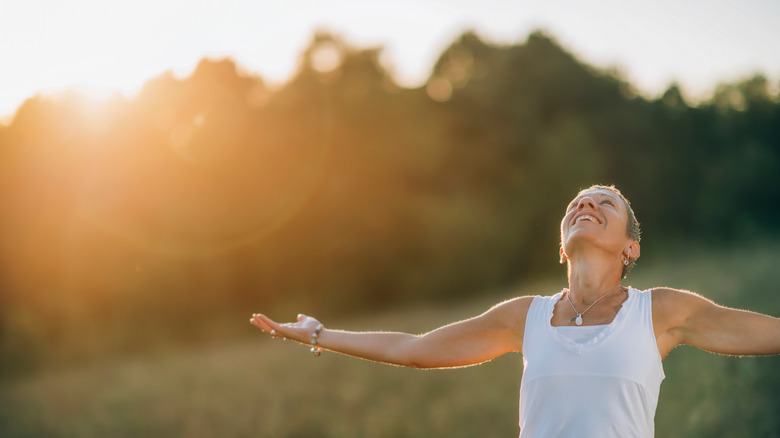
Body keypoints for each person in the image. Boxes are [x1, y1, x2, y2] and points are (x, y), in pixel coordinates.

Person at [250, 184, 780, 437]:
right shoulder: (523, 317)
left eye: (604, 204)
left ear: (630, 248)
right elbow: (413, 350)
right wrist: (318, 333)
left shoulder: (660, 311)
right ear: (561, 245)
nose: (585, 206)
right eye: (576, 204)